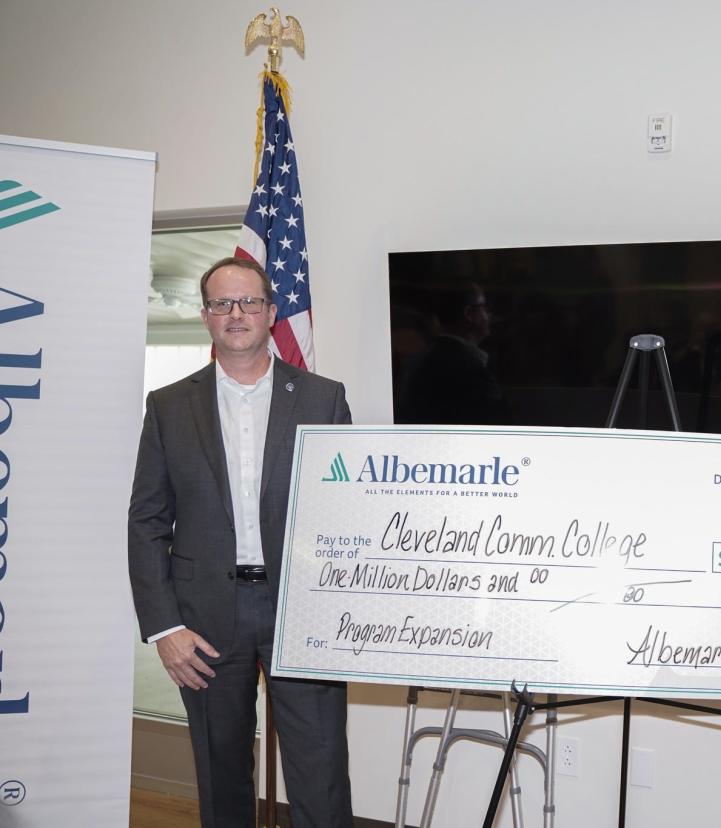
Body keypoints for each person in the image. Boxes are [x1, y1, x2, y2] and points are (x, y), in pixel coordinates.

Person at [128, 256, 353, 827]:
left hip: (300, 612)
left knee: (321, 773)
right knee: (221, 774)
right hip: (202, 622)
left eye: (249, 302)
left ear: (271, 313)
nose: (237, 314)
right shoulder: (169, 406)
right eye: (222, 303)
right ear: (205, 315)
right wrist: (164, 627)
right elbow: (147, 520)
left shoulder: (324, 399)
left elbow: (347, 514)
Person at [398, 282, 511, 425]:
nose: (489, 315)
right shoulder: (469, 369)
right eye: (485, 307)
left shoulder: (424, 359)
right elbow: (500, 423)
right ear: (469, 314)